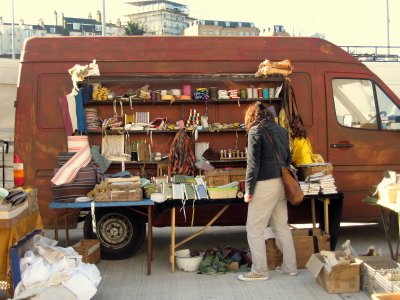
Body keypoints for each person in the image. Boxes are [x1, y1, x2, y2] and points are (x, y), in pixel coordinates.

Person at [238, 101, 298, 281]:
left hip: (265, 184)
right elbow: (288, 159)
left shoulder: (256, 131)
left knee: (254, 229)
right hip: (282, 182)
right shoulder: (281, 130)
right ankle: (290, 267)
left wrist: (249, 189)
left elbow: (253, 164)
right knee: (281, 227)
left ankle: (259, 271)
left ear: (251, 116)